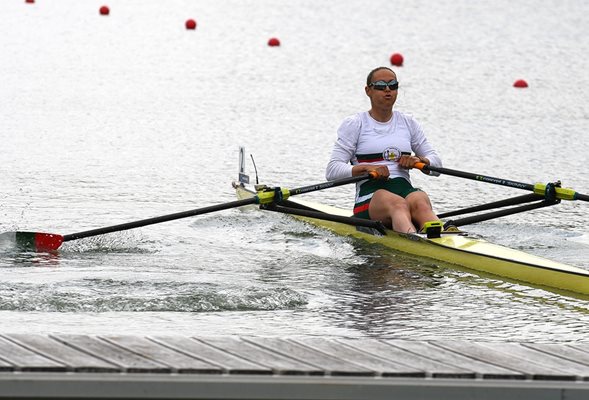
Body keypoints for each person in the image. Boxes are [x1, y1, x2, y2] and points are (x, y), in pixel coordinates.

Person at [326, 66, 442, 234]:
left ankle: (444, 237)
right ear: (368, 91)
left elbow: (436, 166)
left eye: (393, 85)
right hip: (371, 196)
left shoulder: (408, 122)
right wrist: (367, 168)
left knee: (420, 200)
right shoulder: (355, 124)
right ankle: (411, 241)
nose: (388, 90)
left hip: (404, 190)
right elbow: (332, 171)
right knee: (398, 204)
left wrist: (421, 161)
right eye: (380, 85)